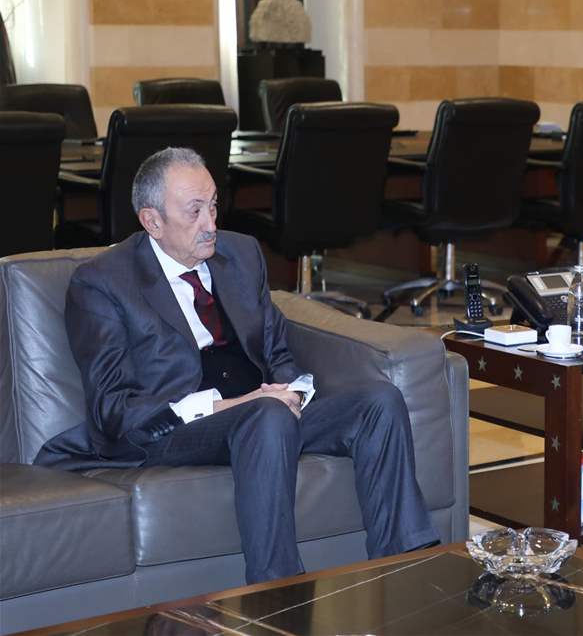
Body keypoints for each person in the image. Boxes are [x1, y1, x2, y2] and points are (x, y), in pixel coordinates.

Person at [36, 147, 439, 584]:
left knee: (379, 401)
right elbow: (113, 409)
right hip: (174, 429)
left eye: (213, 205)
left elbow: (277, 353)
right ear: (152, 221)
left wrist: (292, 392)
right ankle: (278, 592)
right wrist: (237, 405)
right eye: (194, 211)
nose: (210, 224)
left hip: (264, 416)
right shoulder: (102, 283)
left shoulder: (241, 254)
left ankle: (405, 570)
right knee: (267, 415)